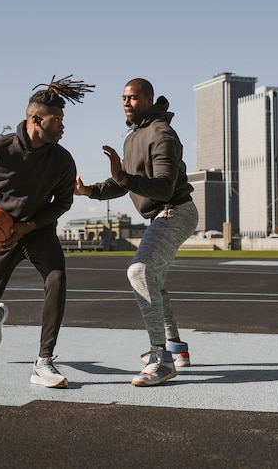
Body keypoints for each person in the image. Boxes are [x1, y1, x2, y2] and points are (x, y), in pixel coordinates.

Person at [0, 75, 94, 389]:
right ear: (37, 119)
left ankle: (44, 361)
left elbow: (63, 201)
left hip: (37, 230)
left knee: (57, 278)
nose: (63, 125)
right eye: (57, 119)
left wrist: (30, 225)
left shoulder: (62, 160)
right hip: (1, 233)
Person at [75, 78, 198, 387]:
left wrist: (125, 178)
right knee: (152, 279)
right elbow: (121, 182)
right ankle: (176, 348)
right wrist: (88, 190)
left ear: (148, 99)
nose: (126, 102)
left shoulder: (162, 134)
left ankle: (161, 360)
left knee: (139, 272)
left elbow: (164, 185)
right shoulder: (133, 138)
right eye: (123, 98)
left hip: (175, 210)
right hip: (162, 214)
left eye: (132, 97)